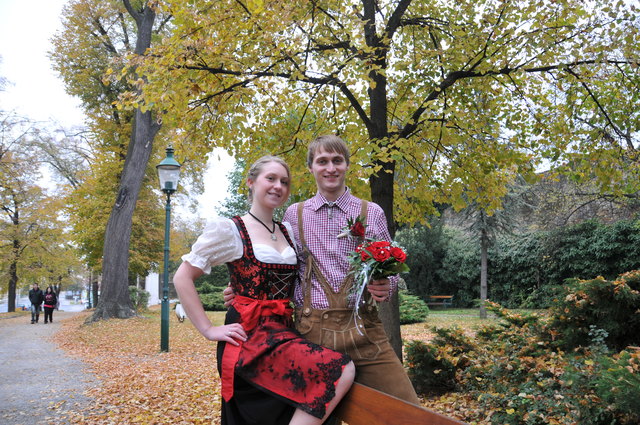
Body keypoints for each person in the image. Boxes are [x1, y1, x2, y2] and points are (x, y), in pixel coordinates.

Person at [226, 135, 419, 404]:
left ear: (347, 165)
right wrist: (243, 284)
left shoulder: (371, 212)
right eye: (322, 161)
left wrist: (388, 285)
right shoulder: (295, 214)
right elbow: (282, 268)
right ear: (311, 168)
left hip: (366, 332)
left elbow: (392, 270)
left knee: (406, 411)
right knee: (321, 415)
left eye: (337, 161)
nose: (331, 168)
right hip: (312, 333)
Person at [173, 155, 355, 425]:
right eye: (270, 178)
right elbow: (182, 277)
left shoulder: (287, 232)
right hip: (248, 338)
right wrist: (209, 330)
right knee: (341, 369)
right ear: (251, 182)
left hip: (284, 332)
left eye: (284, 181)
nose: (278, 186)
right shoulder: (231, 229)